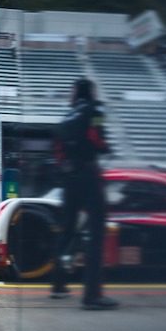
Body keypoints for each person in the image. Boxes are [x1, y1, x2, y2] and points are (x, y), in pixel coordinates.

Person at [51, 78, 118, 310]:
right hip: (88, 175)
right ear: (90, 91)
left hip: (69, 178)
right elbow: (96, 137)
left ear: (76, 92)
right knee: (96, 232)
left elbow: (57, 150)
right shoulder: (95, 109)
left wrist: (67, 167)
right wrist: (105, 148)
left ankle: (58, 285)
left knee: (67, 229)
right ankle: (92, 296)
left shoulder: (67, 116)